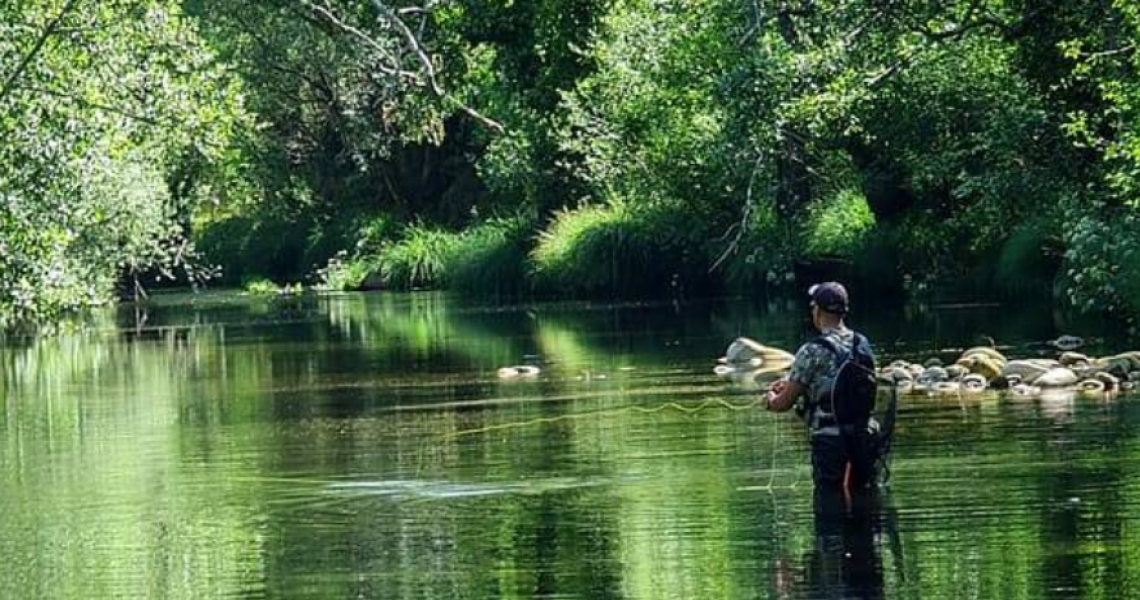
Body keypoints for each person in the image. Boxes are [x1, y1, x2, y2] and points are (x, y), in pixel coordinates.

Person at [764, 281, 882, 491]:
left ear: (817, 311)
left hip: (830, 444)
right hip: (865, 439)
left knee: (830, 511)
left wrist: (770, 399)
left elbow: (783, 404)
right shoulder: (863, 344)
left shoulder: (811, 351)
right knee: (867, 508)